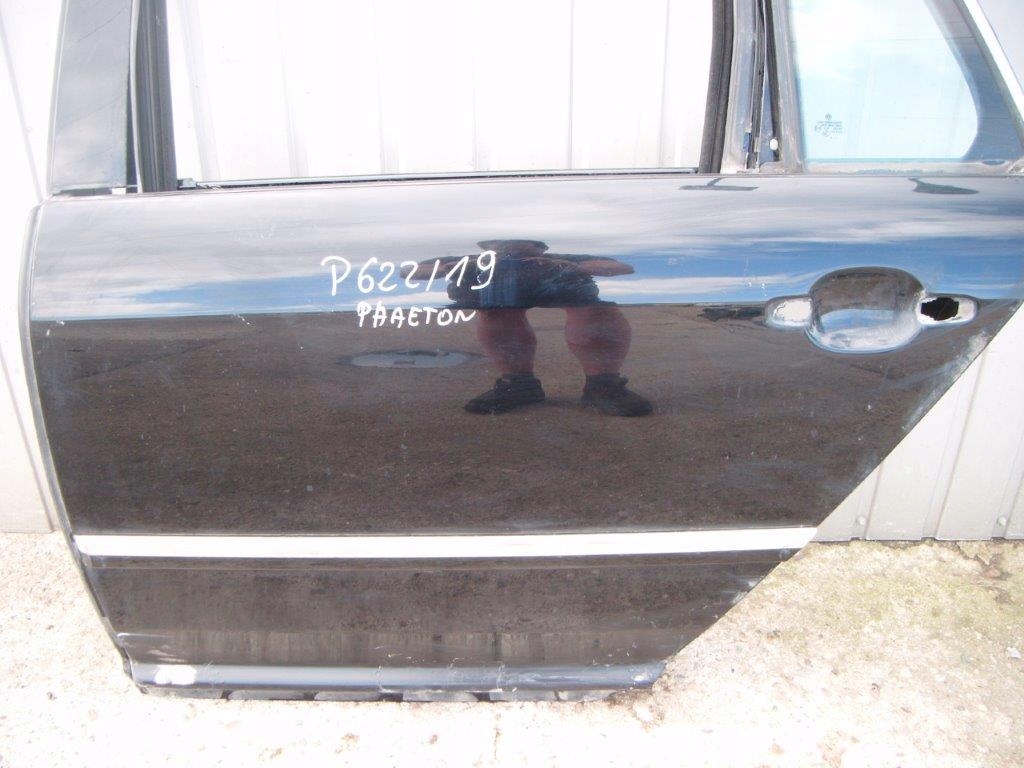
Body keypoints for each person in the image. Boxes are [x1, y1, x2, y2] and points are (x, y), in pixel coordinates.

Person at [406, 239, 652, 416]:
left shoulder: (562, 258)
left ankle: (603, 385)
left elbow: (623, 268)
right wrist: (450, 268)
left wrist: (568, 266)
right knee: (497, 314)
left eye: (522, 245)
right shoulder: (472, 261)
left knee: (593, 312)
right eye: (500, 245)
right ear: (486, 248)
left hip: (562, 289)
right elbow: (409, 271)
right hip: (499, 296)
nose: (510, 249)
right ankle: (518, 385)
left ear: (540, 247)